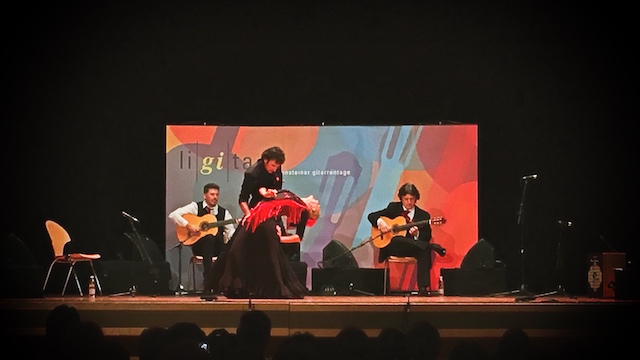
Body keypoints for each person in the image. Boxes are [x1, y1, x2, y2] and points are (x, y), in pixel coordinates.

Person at [204, 189, 320, 298]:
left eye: (315, 203)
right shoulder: (294, 199)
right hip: (256, 218)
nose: (314, 199)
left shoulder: (300, 206)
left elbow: (298, 237)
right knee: (240, 252)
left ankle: (249, 287)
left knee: (257, 255)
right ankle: (241, 287)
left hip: (261, 219)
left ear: (312, 208)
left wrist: (280, 238)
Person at [367, 182, 446, 295]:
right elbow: (371, 216)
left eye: (412, 199)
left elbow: (426, 237)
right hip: (394, 246)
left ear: (416, 199)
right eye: (406, 199)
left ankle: (423, 289)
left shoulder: (424, 216)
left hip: (412, 248)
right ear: (401, 198)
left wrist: (417, 234)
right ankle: (432, 247)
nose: (409, 202)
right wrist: (381, 223)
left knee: (423, 250)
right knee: (397, 239)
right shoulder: (393, 208)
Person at [168, 183, 237, 287]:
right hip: (199, 247)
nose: (215, 197)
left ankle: (212, 280)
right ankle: (209, 279)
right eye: (212, 194)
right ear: (205, 195)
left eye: (217, 195)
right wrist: (188, 226)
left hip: (217, 248)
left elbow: (230, 232)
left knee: (214, 238)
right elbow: (173, 215)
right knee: (209, 239)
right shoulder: (195, 207)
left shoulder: (224, 213)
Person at [238, 146, 310, 240]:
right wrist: (249, 215)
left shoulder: (276, 168)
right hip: (257, 210)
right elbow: (242, 199)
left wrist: (274, 194)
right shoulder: (252, 173)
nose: (275, 169)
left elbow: (278, 189)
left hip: (274, 210)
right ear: (265, 160)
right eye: (273, 165)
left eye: (277, 166)